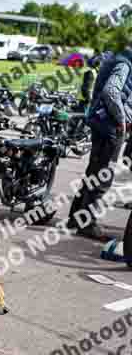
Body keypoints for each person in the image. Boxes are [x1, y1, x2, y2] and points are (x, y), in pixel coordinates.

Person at [67, 41, 132, 240]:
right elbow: (110, 91)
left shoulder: (115, 58)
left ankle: (75, 218)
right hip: (110, 125)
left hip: (99, 121)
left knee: (93, 172)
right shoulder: (125, 64)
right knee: (103, 176)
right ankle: (87, 223)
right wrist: (121, 119)